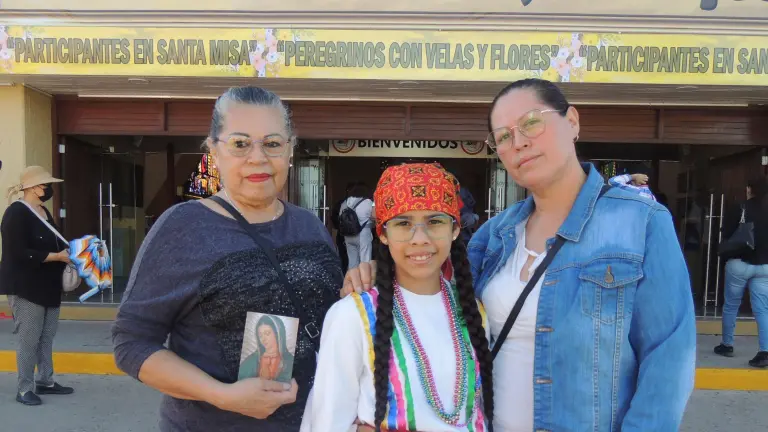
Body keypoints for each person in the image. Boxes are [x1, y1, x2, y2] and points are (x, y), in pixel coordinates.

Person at [341, 78, 696, 431]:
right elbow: (432, 289)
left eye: (531, 123)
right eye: (504, 137)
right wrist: (378, 270)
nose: (519, 142)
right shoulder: (495, 235)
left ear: (571, 122)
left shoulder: (640, 223)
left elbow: (668, 361)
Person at [112, 86, 344, 432]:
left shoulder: (309, 225)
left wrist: (360, 282)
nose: (258, 158)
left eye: (273, 143)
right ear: (214, 151)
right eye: (240, 143)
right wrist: (221, 394)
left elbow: (333, 321)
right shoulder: (183, 227)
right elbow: (131, 343)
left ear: (290, 150)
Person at [302, 163, 493, 431]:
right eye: (403, 223)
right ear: (383, 234)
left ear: (455, 229)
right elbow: (326, 423)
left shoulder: (475, 312)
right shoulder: (351, 316)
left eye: (435, 221)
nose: (419, 239)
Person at [0, 166, 75, 406]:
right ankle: (24, 389)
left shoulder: (43, 212)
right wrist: (56, 257)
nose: (49, 189)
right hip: (26, 286)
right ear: (32, 187)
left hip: (48, 285)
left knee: (46, 336)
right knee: (29, 339)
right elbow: (17, 252)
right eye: (46, 185)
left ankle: (45, 380)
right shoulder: (16, 213)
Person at [715, 176, 768, 368]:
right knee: (763, 309)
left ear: (749, 189)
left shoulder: (740, 207)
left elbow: (727, 234)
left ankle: (727, 344)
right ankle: (764, 351)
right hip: (765, 266)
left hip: (739, 263)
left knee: (731, 305)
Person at [239, 315, 295, 382]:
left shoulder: (289, 361)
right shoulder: (252, 360)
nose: (263, 339)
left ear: (277, 334)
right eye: (260, 335)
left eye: (267, 333)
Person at [339, 183, 374, 270]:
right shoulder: (368, 202)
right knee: (365, 260)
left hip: (348, 235)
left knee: (352, 261)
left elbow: (340, 216)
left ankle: (352, 281)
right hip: (363, 234)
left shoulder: (345, 202)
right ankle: (364, 282)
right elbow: (374, 216)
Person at [331, 183, 355, 271]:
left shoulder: (342, 203)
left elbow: (334, 218)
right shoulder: (366, 202)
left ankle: (345, 276)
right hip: (356, 235)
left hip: (343, 234)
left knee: (344, 257)